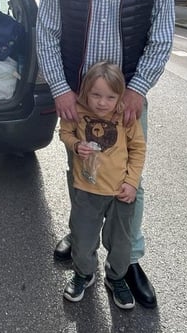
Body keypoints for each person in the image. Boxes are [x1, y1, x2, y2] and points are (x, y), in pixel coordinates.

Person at [36, 0, 174, 309]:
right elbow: (47, 34)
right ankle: (82, 238)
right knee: (80, 168)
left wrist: (137, 89)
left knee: (130, 179)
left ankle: (127, 259)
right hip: (79, 100)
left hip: (127, 99)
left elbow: (161, 38)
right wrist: (61, 89)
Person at [60, 61, 145, 310]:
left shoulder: (125, 116)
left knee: (121, 243)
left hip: (120, 194)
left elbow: (138, 149)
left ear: (120, 96)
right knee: (82, 239)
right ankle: (84, 273)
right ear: (86, 91)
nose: (102, 103)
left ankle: (116, 277)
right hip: (87, 190)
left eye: (110, 97)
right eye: (96, 95)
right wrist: (76, 145)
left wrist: (132, 183)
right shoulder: (77, 111)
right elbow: (65, 132)